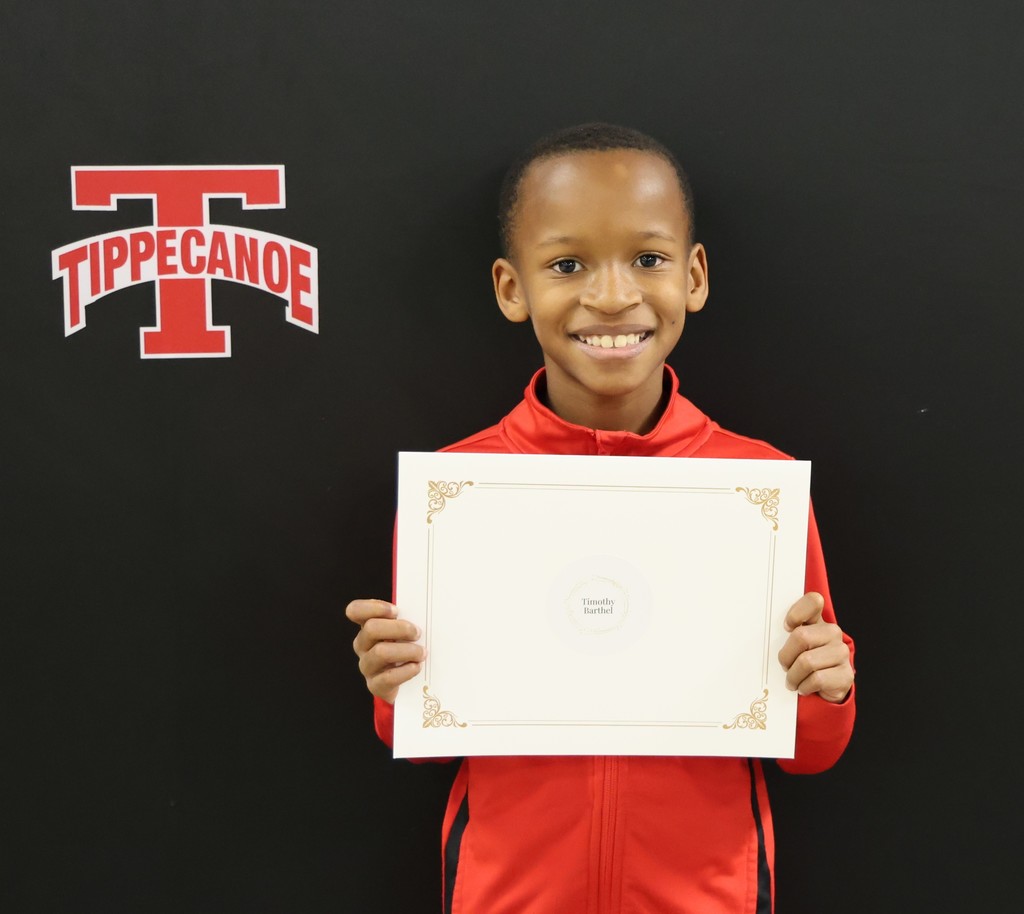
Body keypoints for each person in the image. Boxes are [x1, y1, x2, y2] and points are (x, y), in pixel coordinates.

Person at [346, 122, 856, 914]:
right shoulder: (461, 492)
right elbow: (418, 732)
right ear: (512, 289)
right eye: (567, 264)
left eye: (648, 259)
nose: (613, 295)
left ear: (694, 275)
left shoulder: (758, 485)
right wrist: (392, 685)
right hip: (508, 897)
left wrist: (827, 687)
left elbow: (809, 749)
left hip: (705, 898)